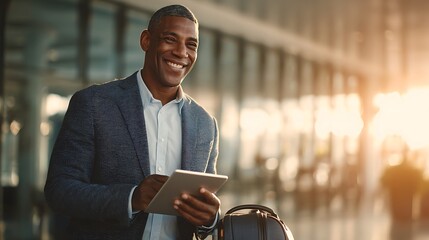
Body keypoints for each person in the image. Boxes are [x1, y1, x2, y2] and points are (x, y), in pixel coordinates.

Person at [44, 4, 221, 239]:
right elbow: (60, 190)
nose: (181, 52)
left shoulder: (205, 123)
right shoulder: (94, 104)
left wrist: (210, 218)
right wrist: (132, 198)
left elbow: (206, 210)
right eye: (170, 39)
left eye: (191, 44)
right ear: (146, 41)